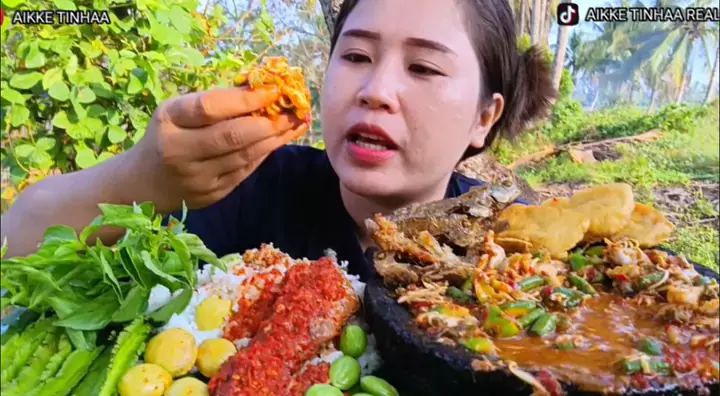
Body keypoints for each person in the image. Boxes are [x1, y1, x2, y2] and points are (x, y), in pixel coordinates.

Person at [1, 0, 555, 281]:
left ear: (484, 117)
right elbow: (15, 242)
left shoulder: (519, 240)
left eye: (424, 68)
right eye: (356, 56)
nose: (375, 91)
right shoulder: (251, 184)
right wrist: (139, 181)